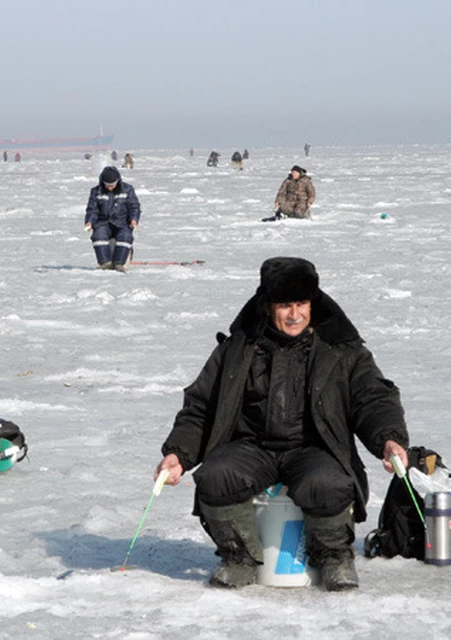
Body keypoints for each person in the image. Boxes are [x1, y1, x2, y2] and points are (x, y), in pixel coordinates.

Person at [155, 257, 409, 591]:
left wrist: (388, 440)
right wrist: (179, 454)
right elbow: (201, 406)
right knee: (216, 476)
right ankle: (238, 558)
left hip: (313, 447)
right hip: (251, 447)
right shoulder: (237, 348)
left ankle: (333, 557)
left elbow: (373, 398)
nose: (294, 314)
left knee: (328, 482)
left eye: (302, 304)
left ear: (313, 303)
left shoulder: (341, 350)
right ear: (267, 305)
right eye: (285, 305)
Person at [84, 166, 141, 271]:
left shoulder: (127, 189)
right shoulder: (96, 191)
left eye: (112, 185)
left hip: (122, 222)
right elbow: (92, 209)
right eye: (107, 185)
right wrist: (89, 221)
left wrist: (134, 219)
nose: (110, 188)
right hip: (103, 222)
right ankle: (105, 263)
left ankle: (119, 263)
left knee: (125, 236)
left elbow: (134, 207)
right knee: (98, 236)